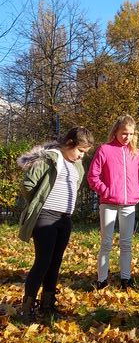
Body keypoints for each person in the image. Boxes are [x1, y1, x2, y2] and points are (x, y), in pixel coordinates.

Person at [17, 126, 94, 322]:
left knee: (55, 262)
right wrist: (39, 202)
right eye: (80, 151)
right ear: (69, 143)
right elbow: (27, 184)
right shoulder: (49, 159)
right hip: (45, 217)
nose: (81, 156)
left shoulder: (77, 165)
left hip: (64, 219)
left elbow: (75, 186)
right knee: (43, 261)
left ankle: (47, 304)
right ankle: (27, 307)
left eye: (85, 152)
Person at [87, 115, 139, 290]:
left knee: (126, 243)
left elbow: (137, 177)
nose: (127, 137)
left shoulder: (136, 153)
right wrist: (106, 191)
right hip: (109, 203)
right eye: (124, 133)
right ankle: (102, 279)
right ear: (116, 132)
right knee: (106, 242)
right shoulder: (104, 149)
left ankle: (125, 279)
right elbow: (92, 176)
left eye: (131, 134)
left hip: (129, 204)